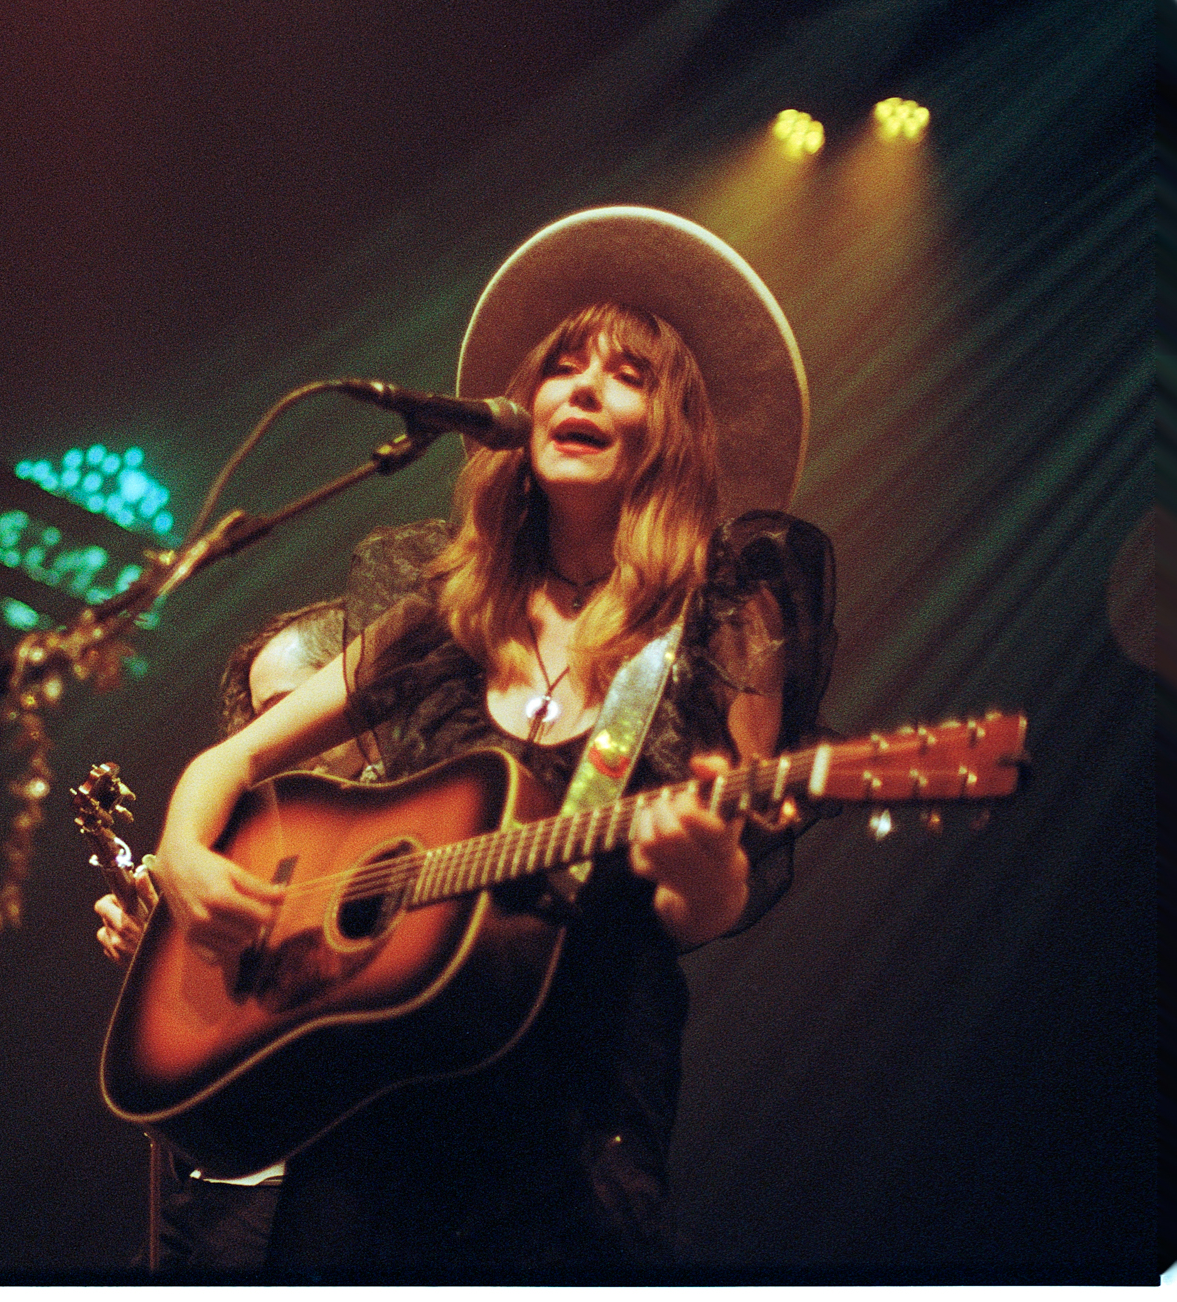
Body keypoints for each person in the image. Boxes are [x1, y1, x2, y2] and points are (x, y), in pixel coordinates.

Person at [144, 207, 835, 1278]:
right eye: (561, 365)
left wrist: (705, 875)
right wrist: (186, 858)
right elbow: (227, 763)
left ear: (673, 429)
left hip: (572, 1123)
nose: (581, 387)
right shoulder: (443, 615)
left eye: (625, 374)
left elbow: (705, 909)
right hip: (370, 1107)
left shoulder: (716, 624)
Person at [95, 598, 360, 1273]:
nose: (272, 737)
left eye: (285, 706)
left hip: (322, 1191)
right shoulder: (266, 833)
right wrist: (160, 957)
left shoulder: (424, 801)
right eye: (257, 718)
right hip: (221, 1180)